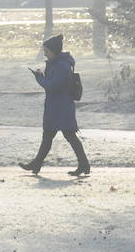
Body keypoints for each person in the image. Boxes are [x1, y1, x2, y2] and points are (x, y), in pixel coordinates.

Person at [20, 34, 91, 176]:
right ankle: (37, 164)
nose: (45, 54)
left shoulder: (61, 66)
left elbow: (52, 86)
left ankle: (83, 164)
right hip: (57, 106)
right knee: (50, 136)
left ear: (54, 51)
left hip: (61, 107)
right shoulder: (58, 64)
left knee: (68, 135)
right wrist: (42, 77)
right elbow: (54, 84)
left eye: (47, 51)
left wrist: (39, 78)